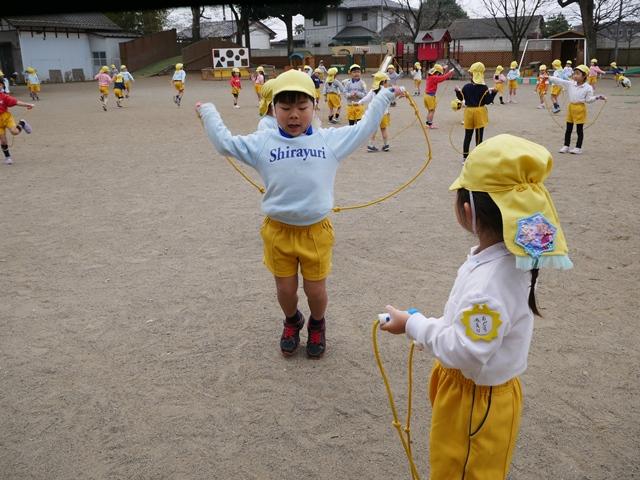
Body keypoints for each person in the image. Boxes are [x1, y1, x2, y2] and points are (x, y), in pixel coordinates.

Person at [380, 133, 573, 480]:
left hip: (475, 399)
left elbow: (466, 351)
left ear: (467, 210)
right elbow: (468, 330)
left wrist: (413, 325)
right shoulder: (507, 259)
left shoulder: (490, 283)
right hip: (473, 393)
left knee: (460, 471)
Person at [196, 69, 405, 358]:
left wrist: (385, 96)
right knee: (285, 290)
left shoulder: (328, 141)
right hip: (278, 231)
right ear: (273, 109)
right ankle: (292, 320)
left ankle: (317, 323)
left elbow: (362, 128)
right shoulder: (263, 144)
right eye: (285, 107)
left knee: (316, 291)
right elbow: (225, 144)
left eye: (302, 107)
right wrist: (208, 113)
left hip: (315, 231)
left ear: (314, 107)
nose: (294, 115)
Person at [549, 64, 606, 155]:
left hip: (580, 109)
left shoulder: (588, 88)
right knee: (568, 128)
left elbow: (588, 100)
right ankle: (566, 146)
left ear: (584, 76)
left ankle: (578, 147)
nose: (575, 75)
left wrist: (597, 97)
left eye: (578, 73)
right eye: (574, 73)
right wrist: (548, 77)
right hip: (571, 107)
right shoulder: (571, 84)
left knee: (579, 130)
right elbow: (560, 81)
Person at [454, 62, 497, 161]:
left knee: (467, 136)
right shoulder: (484, 88)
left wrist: (457, 91)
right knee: (479, 136)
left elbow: (461, 97)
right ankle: (478, 157)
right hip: (479, 112)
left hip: (469, 112)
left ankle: (465, 158)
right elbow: (488, 101)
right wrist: (494, 93)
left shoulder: (466, 87)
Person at [358, 71, 392, 152]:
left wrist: (359, 102)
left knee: (373, 130)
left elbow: (367, 98)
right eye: (387, 81)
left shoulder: (373, 90)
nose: (387, 83)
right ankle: (386, 145)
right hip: (384, 114)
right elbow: (393, 97)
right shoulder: (387, 91)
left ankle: (370, 145)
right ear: (383, 82)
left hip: (375, 115)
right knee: (384, 129)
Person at [0, 90, 34, 165]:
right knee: (3, 140)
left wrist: (27, 104)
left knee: (14, 132)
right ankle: (7, 157)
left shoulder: (4, 97)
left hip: (6, 118)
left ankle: (22, 123)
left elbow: (16, 102)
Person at [424, 63, 454, 128]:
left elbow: (440, 75)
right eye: (439, 73)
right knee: (432, 111)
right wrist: (449, 73)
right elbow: (442, 78)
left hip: (427, 96)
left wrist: (444, 69)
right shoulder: (434, 78)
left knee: (430, 110)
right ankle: (429, 124)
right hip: (430, 96)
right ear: (437, 73)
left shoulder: (430, 76)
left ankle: (427, 123)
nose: (439, 74)